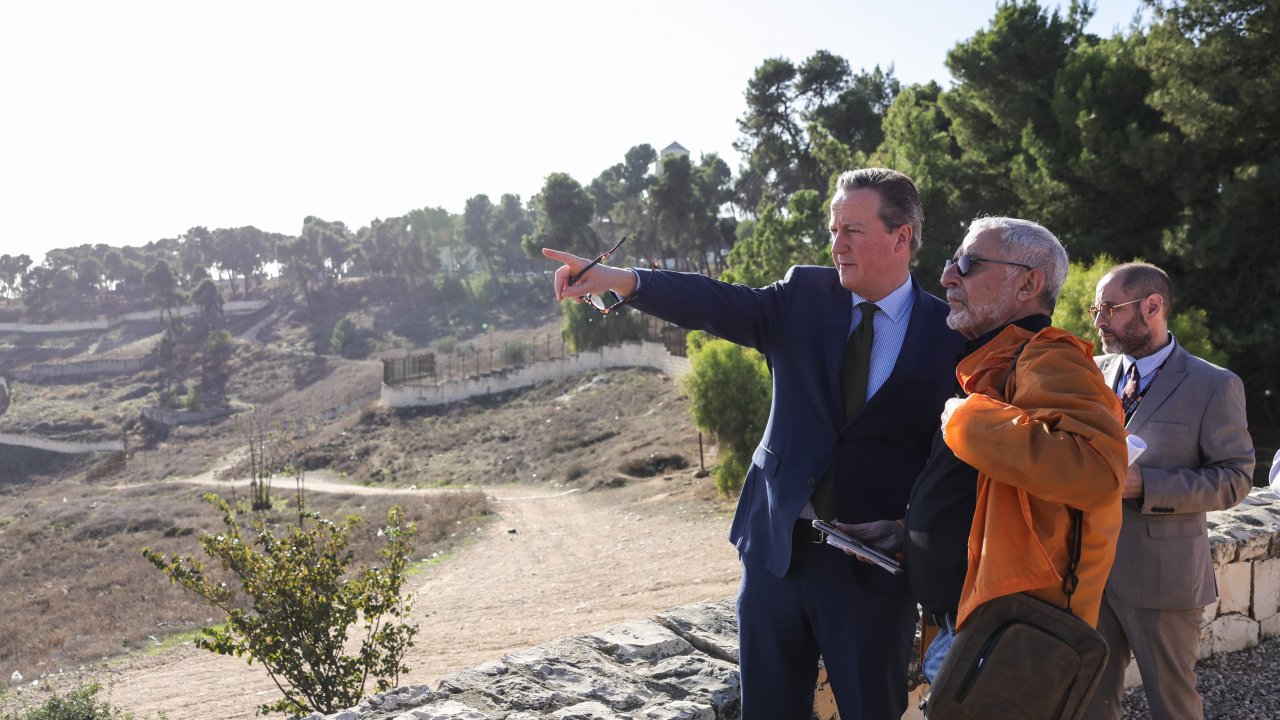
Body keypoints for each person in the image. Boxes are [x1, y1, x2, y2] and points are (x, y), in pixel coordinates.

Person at [544, 168, 965, 719]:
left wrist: (911, 529)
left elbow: (955, 465)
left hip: (873, 576)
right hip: (775, 556)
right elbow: (715, 301)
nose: (837, 245)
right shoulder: (804, 295)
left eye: (853, 231)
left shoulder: (949, 335)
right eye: (833, 230)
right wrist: (623, 281)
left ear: (901, 236)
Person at [858, 216, 1128, 681]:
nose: (948, 276)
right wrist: (910, 533)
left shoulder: (1051, 358)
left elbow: (1098, 471)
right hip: (974, 630)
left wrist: (968, 421)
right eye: (951, 262)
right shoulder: (997, 364)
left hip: (1008, 639)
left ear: (1028, 284)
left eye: (968, 263)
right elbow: (996, 498)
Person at [1083, 262, 1255, 720]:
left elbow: (1236, 478)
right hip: (1088, 572)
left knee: (1173, 707)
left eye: (1110, 309)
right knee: (1088, 704)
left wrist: (1147, 485)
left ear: (1152, 306)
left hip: (1164, 578)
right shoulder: (1091, 372)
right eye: (1097, 310)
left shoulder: (1214, 384)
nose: (1099, 322)